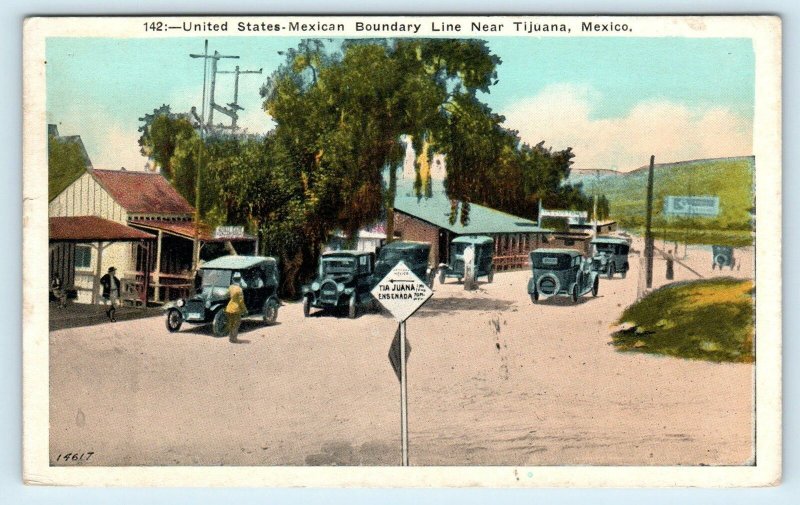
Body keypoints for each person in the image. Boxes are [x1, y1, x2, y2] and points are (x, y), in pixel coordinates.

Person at [225, 272, 247, 343]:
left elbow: (227, 295)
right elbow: (241, 301)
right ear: (240, 279)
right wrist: (245, 310)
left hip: (229, 308)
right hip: (236, 309)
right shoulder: (239, 289)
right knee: (236, 324)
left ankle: (230, 338)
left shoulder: (230, 287)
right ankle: (234, 339)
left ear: (233, 279)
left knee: (230, 323)